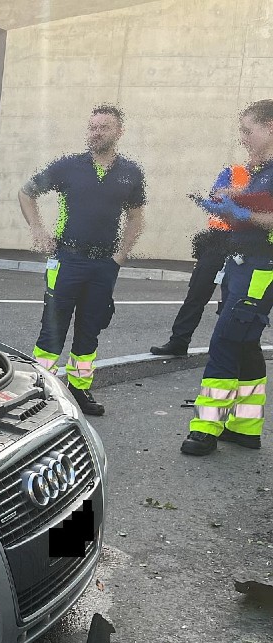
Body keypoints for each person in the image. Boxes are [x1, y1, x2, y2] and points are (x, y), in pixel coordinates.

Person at [19, 105, 147, 416]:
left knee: (90, 330)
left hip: (104, 265)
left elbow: (135, 216)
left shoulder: (130, 173)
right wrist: (37, 229)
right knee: (52, 328)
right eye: (92, 127)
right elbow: (26, 193)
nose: (96, 133)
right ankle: (43, 390)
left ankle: (79, 388)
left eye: (104, 127)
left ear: (119, 132)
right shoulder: (68, 166)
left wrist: (121, 255)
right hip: (68, 259)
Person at [181, 99, 273, 456]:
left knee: (224, 342)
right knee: (245, 343)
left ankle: (206, 427)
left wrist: (239, 210)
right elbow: (257, 206)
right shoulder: (260, 170)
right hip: (242, 265)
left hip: (260, 268)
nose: (243, 138)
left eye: (248, 131)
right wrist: (228, 208)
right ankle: (245, 427)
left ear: (270, 128)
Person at [151, 164, 250, 357]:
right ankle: (178, 342)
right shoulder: (233, 171)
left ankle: (228, 349)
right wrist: (245, 197)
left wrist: (235, 196)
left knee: (234, 299)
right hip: (217, 240)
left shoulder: (265, 177)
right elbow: (217, 196)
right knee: (197, 293)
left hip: (243, 242)